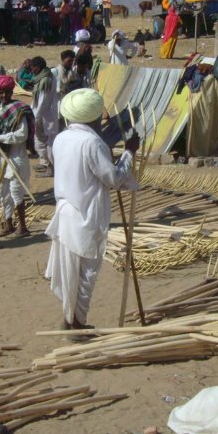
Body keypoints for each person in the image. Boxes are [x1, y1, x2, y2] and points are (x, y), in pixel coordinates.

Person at [45, 88, 139, 330]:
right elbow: (113, 179)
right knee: (86, 271)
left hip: (65, 211)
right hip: (85, 214)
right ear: (94, 118)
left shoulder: (60, 139)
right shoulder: (91, 142)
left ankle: (71, 317)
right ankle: (76, 323)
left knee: (70, 271)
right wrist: (129, 152)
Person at [0, 76, 33, 237]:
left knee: (16, 192)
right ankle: (8, 223)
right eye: (1, 93)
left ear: (12, 91)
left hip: (15, 156)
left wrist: (0, 138)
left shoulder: (19, 109)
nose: (4, 95)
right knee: (3, 192)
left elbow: (22, 134)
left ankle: (22, 227)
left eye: (7, 92)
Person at [30, 56, 58, 174]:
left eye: (33, 67)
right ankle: (44, 163)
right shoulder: (46, 76)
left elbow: (42, 101)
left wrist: (35, 117)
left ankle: (50, 167)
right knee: (41, 140)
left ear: (38, 67)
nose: (32, 70)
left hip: (43, 116)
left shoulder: (45, 80)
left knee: (46, 141)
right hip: (43, 114)